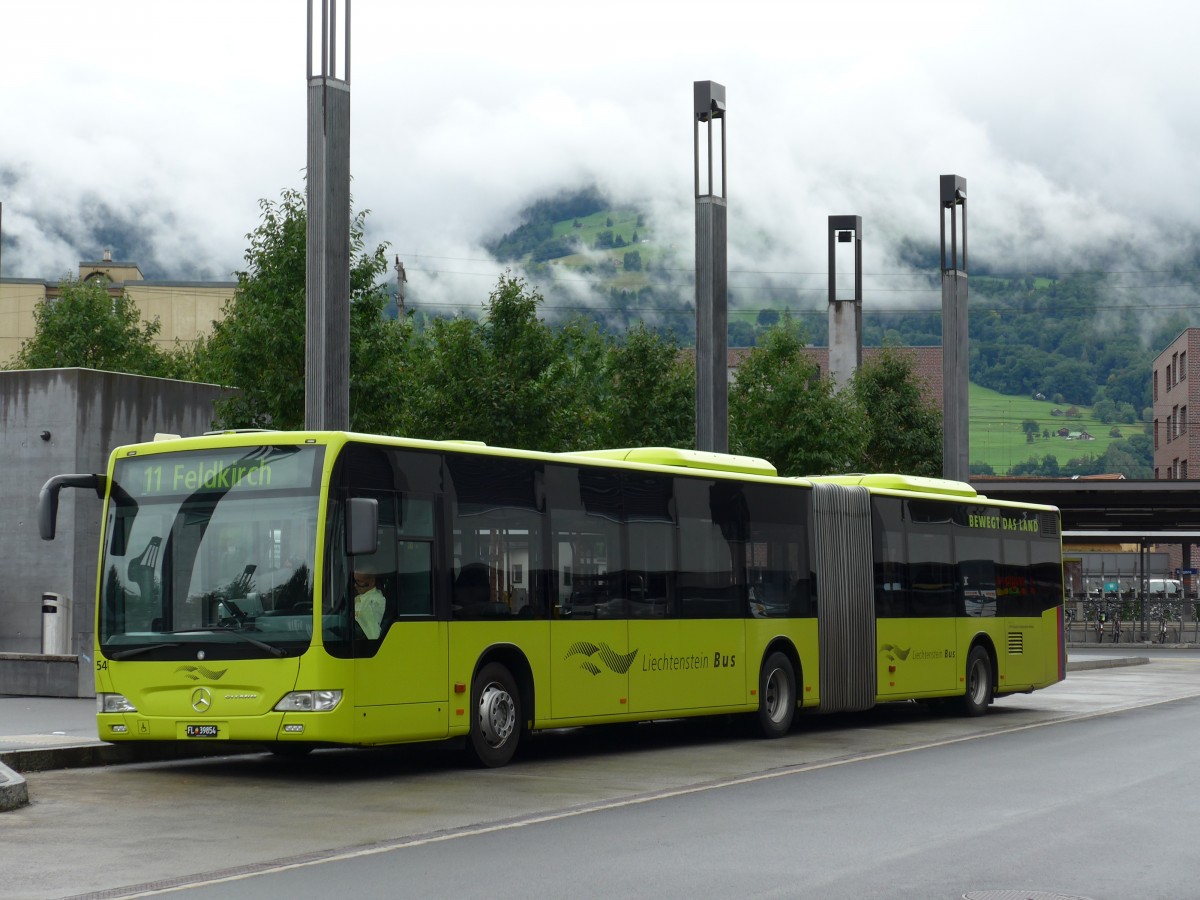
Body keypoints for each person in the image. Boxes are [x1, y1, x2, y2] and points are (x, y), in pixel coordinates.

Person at [352, 571, 386, 639]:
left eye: (359, 581)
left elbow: (373, 634)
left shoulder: (377, 600)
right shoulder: (359, 597)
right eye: (355, 581)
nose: (355, 585)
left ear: (372, 582)